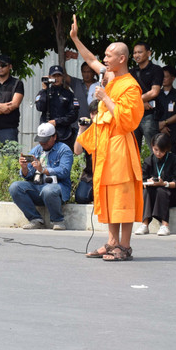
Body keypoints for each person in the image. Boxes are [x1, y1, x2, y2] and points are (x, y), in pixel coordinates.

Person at [69, 16, 144, 262]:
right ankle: (112, 243)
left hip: (121, 145)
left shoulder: (130, 86)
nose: (105, 59)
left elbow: (129, 120)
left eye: (109, 56)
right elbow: (90, 59)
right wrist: (75, 39)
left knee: (122, 195)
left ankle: (125, 246)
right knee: (109, 194)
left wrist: (105, 98)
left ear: (121, 59)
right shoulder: (109, 77)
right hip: (105, 145)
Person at [9, 123, 73, 231]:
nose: (42, 143)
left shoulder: (64, 150)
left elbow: (64, 171)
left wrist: (43, 170)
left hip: (57, 188)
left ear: (54, 137)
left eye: (46, 140)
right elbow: (27, 175)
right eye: (41, 140)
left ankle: (58, 220)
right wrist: (24, 168)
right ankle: (35, 220)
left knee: (48, 190)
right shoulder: (37, 150)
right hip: (38, 186)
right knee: (15, 187)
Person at [135, 133, 176, 236]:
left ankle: (165, 225)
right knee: (146, 191)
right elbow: (141, 181)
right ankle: (144, 224)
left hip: (171, 194)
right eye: (156, 150)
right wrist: (149, 181)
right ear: (152, 146)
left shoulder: (174, 160)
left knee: (161, 190)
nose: (158, 153)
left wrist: (164, 183)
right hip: (153, 193)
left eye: (162, 151)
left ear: (167, 149)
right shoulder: (149, 160)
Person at [129, 42, 164, 149]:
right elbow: (127, 94)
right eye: (134, 53)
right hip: (133, 115)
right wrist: (140, 103)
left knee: (155, 148)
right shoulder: (131, 72)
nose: (136, 55)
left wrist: (137, 102)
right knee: (133, 150)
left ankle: (156, 166)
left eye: (140, 52)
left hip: (149, 115)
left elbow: (154, 92)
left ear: (149, 53)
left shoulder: (156, 69)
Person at [34, 64, 78, 148]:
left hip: (64, 134)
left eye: (59, 76)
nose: (56, 78)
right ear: (50, 77)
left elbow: (73, 115)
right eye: (54, 76)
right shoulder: (44, 92)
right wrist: (44, 90)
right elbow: (39, 107)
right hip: (47, 135)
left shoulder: (69, 94)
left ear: (62, 77)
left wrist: (57, 121)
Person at [72, 100, 98, 205]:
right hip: (90, 174)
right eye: (92, 113)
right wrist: (81, 130)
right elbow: (77, 151)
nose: (94, 116)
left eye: (97, 113)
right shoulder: (89, 131)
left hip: (106, 173)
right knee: (81, 197)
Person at [156, 65, 176, 151]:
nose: (163, 79)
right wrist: (160, 126)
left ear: (173, 78)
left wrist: (164, 123)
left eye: (166, 77)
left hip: (173, 132)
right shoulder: (156, 94)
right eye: (161, 77)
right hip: (158, 132)